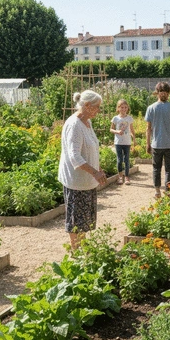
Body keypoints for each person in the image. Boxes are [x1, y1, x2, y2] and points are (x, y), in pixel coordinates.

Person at [58, 90, 107, 250]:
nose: (99, 110)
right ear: (87, 105)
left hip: (87, 181)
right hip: (76, 181)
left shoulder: (87, 122)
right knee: (76, 221)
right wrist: (94, 172)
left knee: (84, 219)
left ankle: (82, 252)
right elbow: (75, 157)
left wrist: (98, 168)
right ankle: (76, 253)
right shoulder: (74, 125)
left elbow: (91, 148)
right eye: (97, 107)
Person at [145, 81, 170, 198]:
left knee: (156, 169)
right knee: (169, 169)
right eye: (162, 92)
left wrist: (147, 144)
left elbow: (148, 129)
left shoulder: (151, 108)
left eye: (164, 92)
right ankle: (169, 192)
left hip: (156, 144)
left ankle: (157, 191)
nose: (163, 94)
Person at [110, 99, 136, 185]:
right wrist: (117, 132)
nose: (124, 109)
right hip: (118, 142)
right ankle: (120, 176)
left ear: (127, 108)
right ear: (118, 108)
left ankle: (127, 177)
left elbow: (132, 130)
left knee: (127, 160)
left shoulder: (129, 118)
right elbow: (111, 129)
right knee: (119, 160)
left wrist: (134, 139)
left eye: (125, 107)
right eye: (122, 107)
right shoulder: (115, 118)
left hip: (127, 142)